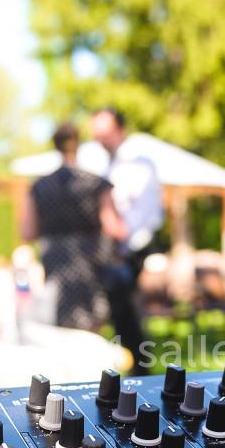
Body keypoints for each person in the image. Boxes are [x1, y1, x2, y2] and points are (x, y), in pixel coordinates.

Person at [20, 123, 126, 334]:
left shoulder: (39, 187)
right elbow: (114, 227)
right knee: (92, 325)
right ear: (78, 144)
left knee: (62, 327)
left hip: (55, 262)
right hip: (89, 260)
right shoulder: (96, 183)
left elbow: (27, 231)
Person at [90, 107, 158, 372]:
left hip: (132, 252)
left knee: (132, 319)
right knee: (120, 319)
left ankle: (141, 376)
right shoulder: (111, 164)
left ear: (120, 130)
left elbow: (142, 215)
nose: (100, 140)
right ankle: (131, 373)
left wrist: (120, 239)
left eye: (105, 134)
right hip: (117, 252)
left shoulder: (138, 165)